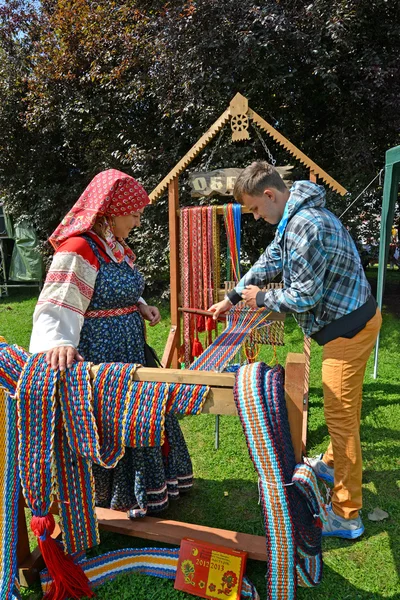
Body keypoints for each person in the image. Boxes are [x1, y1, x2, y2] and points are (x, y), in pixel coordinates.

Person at [209, 161, 382, 540]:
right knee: (344, 409)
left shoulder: (305, 226)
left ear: (270, 195)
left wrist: (259, 298)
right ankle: (333, 463)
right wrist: (234, 296)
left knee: (340, 418)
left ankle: (347, 514)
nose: (255, 217)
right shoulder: (295, 217)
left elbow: (304, 296)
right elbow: (272, 259)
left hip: (349, 330)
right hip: (353, 321)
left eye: (255, 208)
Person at [30, 169, 193, 517]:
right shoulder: (79, 249)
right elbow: (58, 301)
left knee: (141, 412)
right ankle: (112, 496)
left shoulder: (114, 247)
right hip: (102, 353)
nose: (137, 220)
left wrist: (140, 305)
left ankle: (147, 488)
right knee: (113, 418)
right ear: (111, 211)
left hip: (129, 345)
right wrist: (57, 341)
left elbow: (113, 290)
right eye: (134, 213)